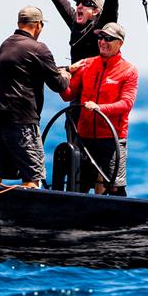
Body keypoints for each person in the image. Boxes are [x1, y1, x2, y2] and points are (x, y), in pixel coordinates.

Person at [0, 6, 70, 188]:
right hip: (20, 118)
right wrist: (67, 75)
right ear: (38, 25)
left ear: (19, 23)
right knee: (32, 176)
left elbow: (25, 69)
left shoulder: (6, 43)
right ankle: (27, 215)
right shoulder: (39, 48)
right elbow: (58, 85)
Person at [60, 22, 137, 196]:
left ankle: (118, 221)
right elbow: (68, 95)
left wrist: (99, 108)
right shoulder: (87, 64)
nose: (102, 41)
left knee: (115, 189)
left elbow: (126, 104)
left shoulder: (129, 71)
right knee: (78, 187)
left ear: (120, 43)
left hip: (112, 140)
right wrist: (61, 80)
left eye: (108, 38)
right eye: (100, 37)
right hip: (85, 138)